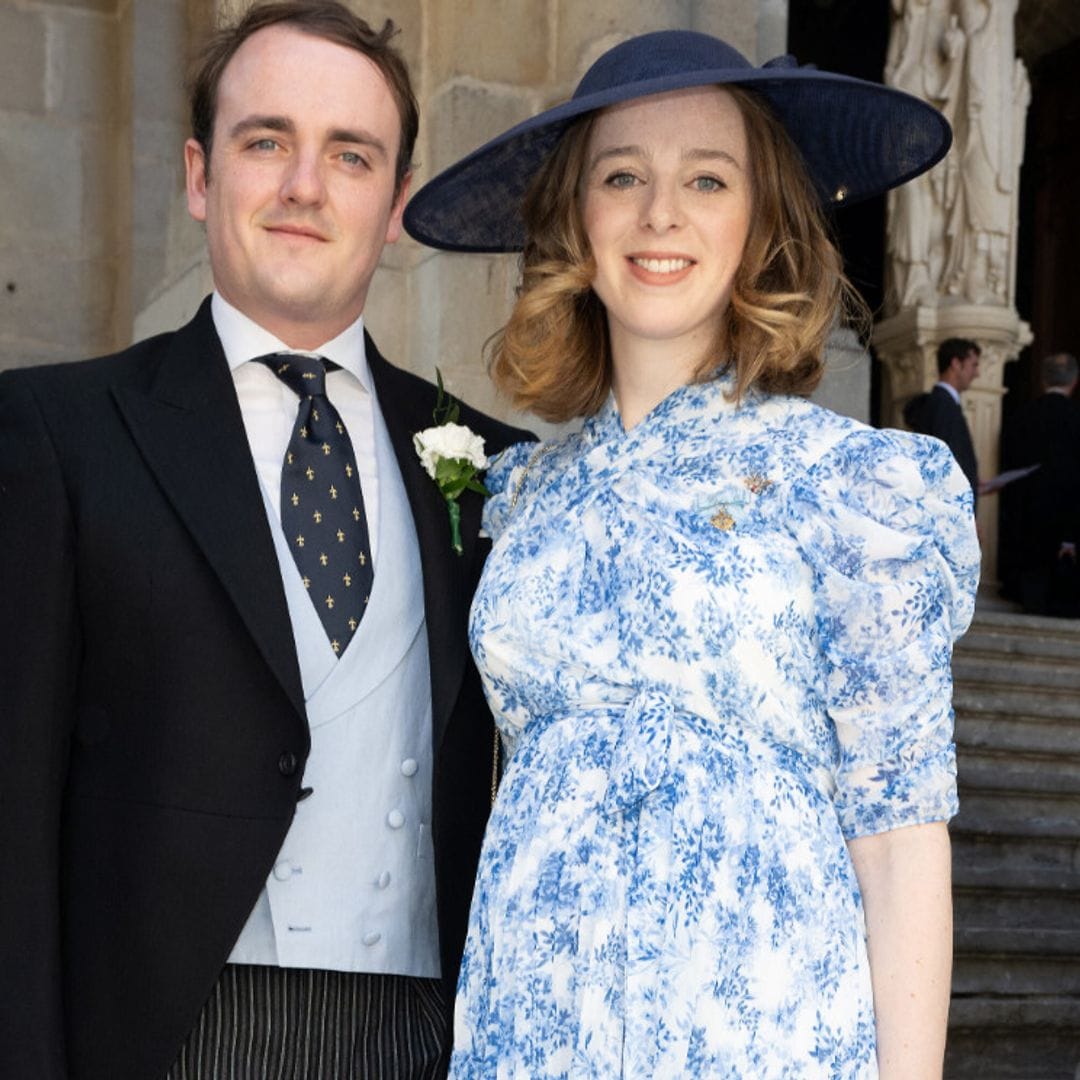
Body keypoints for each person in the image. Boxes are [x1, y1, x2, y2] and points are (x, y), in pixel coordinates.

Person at [404, 30, 979, 1078]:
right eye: (622, 176)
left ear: (761, 223)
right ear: (576, 217)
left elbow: (900, 845)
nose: (659, 213)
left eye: (707, 178)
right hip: (530, 1038)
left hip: (762, 1041)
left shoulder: (851, 490)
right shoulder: (522, 495)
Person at [0, 3, 527, 1078]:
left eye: (350, 154)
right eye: (266, 141)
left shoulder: (489, 463)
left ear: (394, 207)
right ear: (201, 177)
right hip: (158, 1037)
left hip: (419, 1038)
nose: (304, 186)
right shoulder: (56, 434)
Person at [1005, 352, 1080, 615]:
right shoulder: (1076, 419)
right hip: (1067, 525)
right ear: (1074, 382)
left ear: (1042, 381)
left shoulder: (1020, 417)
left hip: (1025, 524)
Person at [904, 337, 981, 500]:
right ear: (955, 364)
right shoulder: (943, 405)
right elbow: (945, 466)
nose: (977, 373)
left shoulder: (942, 403)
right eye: (973, 365)